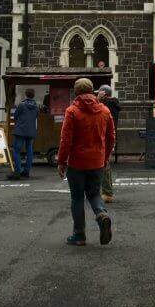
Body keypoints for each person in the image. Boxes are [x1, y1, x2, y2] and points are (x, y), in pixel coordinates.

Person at [57, 78, 115, 246]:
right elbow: (111, 137)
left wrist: (61, 161)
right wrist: (105, 157)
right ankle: (101, 214)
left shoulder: (72, 111)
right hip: (97, 161)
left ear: (76, 92)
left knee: (77, 198)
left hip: (77, 162)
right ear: (92, 91)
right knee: (94, 194)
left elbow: (65, 140)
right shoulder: (104, 110)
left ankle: (79, 234)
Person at [8, 88, 39, 180]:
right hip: (31, 131)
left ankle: (17, 172)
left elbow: (16, 116)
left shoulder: (21, 105)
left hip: (20, 130)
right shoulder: (36, 106)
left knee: (17, 151)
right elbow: (36, 116)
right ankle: (26, 171)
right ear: (33, 95)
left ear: (25, 95)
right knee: (29, 151)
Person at [97, 85, 120, 203]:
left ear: (104, 94)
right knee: (106, 164)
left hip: (103, 137)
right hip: (110, 136)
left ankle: (107, 192)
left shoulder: (105, 105)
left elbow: (95, 109)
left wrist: (98, 99)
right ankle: (107, 191)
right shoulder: (115, 104)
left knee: (103, 164)